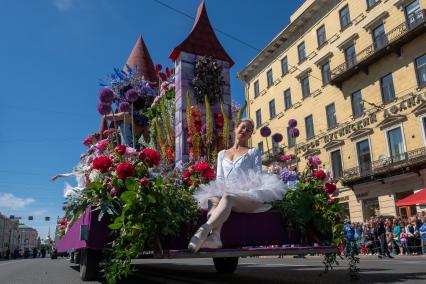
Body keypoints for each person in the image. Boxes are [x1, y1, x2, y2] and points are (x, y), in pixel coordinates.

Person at [188, 119, 287, 253]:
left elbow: (257, 177)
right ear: (236, 129)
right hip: (226, 193)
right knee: (212, 199)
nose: (245, 131)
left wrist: (239, 189)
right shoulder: (222, 154)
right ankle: (215, 238)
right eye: (243, 127)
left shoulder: (253, 152)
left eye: (249, 130)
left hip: (248, 196)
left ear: (250, 135)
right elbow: (220, 179)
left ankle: (203, 231)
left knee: (228, 197)